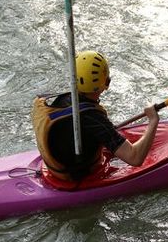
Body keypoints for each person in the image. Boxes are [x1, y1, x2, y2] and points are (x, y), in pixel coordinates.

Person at [32, 51, 160, 182]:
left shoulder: (60, 99)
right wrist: (153, 120)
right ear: (106, 83)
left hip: (55, 166)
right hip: (77, 175)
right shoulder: (93, 118)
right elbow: (135, 158)